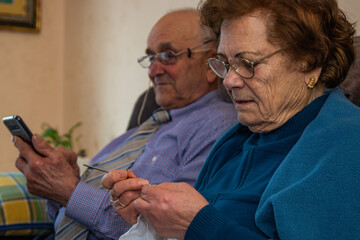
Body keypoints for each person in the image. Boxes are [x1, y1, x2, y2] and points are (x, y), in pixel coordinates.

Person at [102, 0, 360, 239]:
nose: (229, 80)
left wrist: (198, 224)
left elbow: (202, 226)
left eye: (247, 62)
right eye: (224, 62)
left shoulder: (347, 143)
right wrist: (151, 220)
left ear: (310, 60)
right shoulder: (234, 141)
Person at [12, 8, 238, 240]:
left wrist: (69, 190)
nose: (153, 71)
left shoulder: (220, 126)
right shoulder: (146, 125)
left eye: (168, 55)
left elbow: (167, 231)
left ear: (211, 65)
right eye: (150, 57)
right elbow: (69, 211)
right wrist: (60, 184)